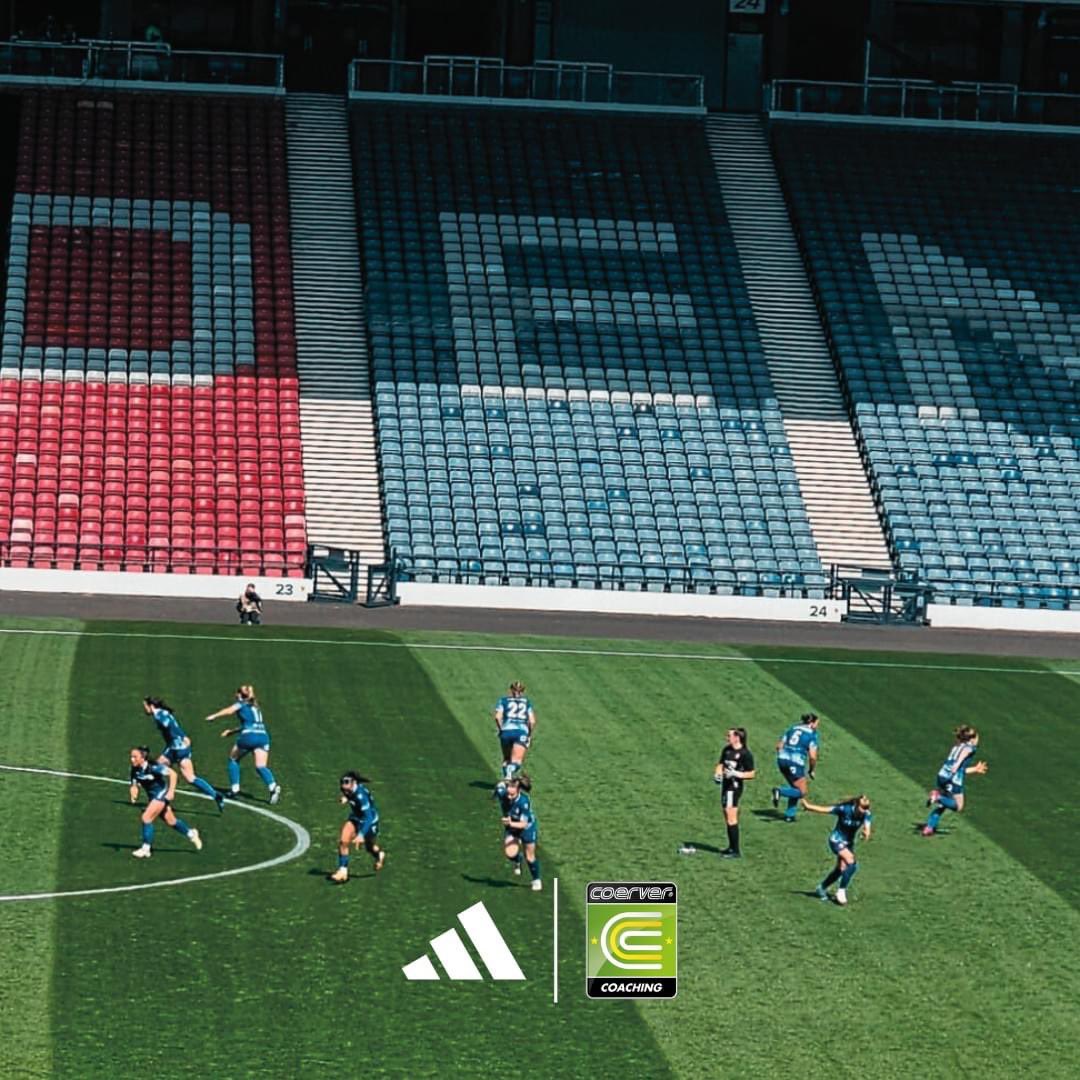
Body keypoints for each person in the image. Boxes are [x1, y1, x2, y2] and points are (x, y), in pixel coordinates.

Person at [144, 696, 225, 812]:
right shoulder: (163, 713)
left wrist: (181, 737)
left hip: (178, 748)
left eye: (145, 706)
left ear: (151, 706)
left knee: (184, 776)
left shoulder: (159, 716)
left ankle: (160, 800)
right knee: (158, 769)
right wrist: (184, 736)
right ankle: (216, 795)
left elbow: (170, 726)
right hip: (174, 747)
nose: (145, 709)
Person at [205, 685, 281, 804]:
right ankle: (272, 787)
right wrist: (232, 731)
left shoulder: (241, 703)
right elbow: (251, 725)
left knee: (233, 759)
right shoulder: (256, 706)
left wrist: (214, 716)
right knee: (261, 766)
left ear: (240, 695)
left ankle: (235, 789)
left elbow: (229, 711)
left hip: (248, 737)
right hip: (263, 736)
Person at [128, 746, 202, 858]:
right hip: (152, 797)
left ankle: (146, 849)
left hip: (161, 794)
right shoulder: (135, 769)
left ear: (143, 758)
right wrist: (133, 791)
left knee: (146, 817)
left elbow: (173, 774)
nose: (132, 759)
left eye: (135, 757)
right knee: (171, 821)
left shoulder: (154, 767)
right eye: (131, 757)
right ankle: (192, 834)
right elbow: (134, 783)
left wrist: (171, 792)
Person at [802, 794, 872, 906]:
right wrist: (809, 806)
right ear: (856, 805)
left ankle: (821, 888)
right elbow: (825, 810)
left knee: (840, 869)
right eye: (862, 808)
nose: (864, 810)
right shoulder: (844, 809)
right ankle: (841, 891)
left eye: (866, 808)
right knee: (852, 863)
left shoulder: (866, 814)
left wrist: (866, 833)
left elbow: (867, 827)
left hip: (848, 843)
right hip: (836, 840)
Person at [922, 725, 988, 836]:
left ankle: (929, 828)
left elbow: (962, 769)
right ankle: (937, 797)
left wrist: (975, 769)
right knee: (958, 806)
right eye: (977, 737)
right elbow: (961, 759)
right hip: (952, 779)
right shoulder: (969, 748)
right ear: (971, 739)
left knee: (943, 804)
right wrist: (955, 767)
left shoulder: (956, 746)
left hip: (942, 775)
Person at [330, 771, 386, 883]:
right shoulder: (351, 788)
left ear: (354, 784)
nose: (345, 791)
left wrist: (361, 834)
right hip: (356, 818)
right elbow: (350, 794)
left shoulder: (361, 796)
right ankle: (343, 871)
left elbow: (368, 817)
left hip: (369, 822)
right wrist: (347, 798)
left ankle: (379, 854)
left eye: (347, 790)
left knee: (370, 847)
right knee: (343, 840)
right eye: (343, 789)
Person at [713, 726, 755, 858]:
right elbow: (720, 764)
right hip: (725, 786)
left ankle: (735, 850)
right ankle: (731, 847)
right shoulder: (727, 750)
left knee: (731, 816)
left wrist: (736, 773)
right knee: (727, 814)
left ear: (737, 737)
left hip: (734, 787)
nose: (727, 738)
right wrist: (718, 774)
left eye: (729, 736)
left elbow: (751, 774)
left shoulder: (745, 754)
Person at [771, 712, 820, 822]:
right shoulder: (812, 735)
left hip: (782, 759)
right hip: (795, 763)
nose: (817, 726)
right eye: (817, 723)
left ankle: (790, 815)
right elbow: (813, 757)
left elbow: (779, 746)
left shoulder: (792, 728)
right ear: (812, 723)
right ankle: (779, 791)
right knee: (801, 791)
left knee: (795, 787)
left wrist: (784, 756)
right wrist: (811, 770)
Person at [499, 774, 541, 891]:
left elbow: (523, 824)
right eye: (508, 791)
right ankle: (518, 859)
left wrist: (510, 823)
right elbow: (499, 786)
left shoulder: (523, 802)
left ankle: (536, 879)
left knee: (530, 856)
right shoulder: (503, 793)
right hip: (512, 826)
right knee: (510, 853)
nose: (509, 794)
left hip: (526, 827)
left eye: (512, 793)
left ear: (518, 790)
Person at [494, 681, 536, 780]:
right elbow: (532, 721)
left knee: (507, 759)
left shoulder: (503, 700)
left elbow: (497, 717)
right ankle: (510, 772)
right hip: (521, 732)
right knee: (517, 761)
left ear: (510, 690)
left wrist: (501, 730)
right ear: (523, 691)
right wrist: (529, 735)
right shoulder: (526, 702)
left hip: (506, 731)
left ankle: (507, 780)